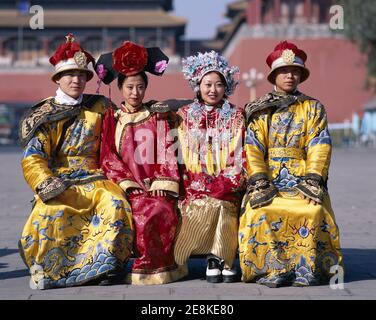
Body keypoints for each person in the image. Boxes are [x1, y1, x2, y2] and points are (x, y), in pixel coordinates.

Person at [18, 34, 134, 290]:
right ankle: (52, 268)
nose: (76, 80)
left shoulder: (101, 107)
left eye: (82, 75)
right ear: (57, 79)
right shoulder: (45, 114)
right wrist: (46, 182)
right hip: (60, 179)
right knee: (49, 212)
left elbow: (125, 132)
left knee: (114, 204)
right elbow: (34, 156)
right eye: (70, 75)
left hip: (97, 178)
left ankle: (105, 264)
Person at [239, 41, 343, 287]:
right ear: (274, 76)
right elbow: (253, 147)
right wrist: (260, 180)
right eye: (284, 71)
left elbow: (320, 144)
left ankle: (306, 267)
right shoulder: (260, 110)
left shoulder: (313, 108)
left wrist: (313, 178)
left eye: (295, 71)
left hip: (303, 176)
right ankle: (273, 267)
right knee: (261, 210)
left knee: (313, 210)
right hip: (269, 177)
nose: (290, 76)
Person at [98, 41, 186, 285]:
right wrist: (125, 183)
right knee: (125, 209)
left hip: (155, 185)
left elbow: (169, 150)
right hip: (124, 185)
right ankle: (111, 264)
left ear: (146, 88)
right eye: (129, 87)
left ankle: (156, 267)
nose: (135, 93)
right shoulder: (113, 118)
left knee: (157, 208)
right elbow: (107, 155)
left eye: (139, 87)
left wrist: (163, 181)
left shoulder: (157, 115)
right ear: (120, 88)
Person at [173, 51, 246, 283]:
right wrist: (197, 182)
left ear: (227, 87)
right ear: (197, 85)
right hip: (193, 183)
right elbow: (180, 155)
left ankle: (218, 258)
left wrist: (224, 182)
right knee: (206, 203)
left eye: (218, 84)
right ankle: (217, 259)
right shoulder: (183, 116)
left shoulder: (236, 116)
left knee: (223, 202)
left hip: (227, 183)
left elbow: (239, 153)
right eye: (207, 84)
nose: (213, 90)